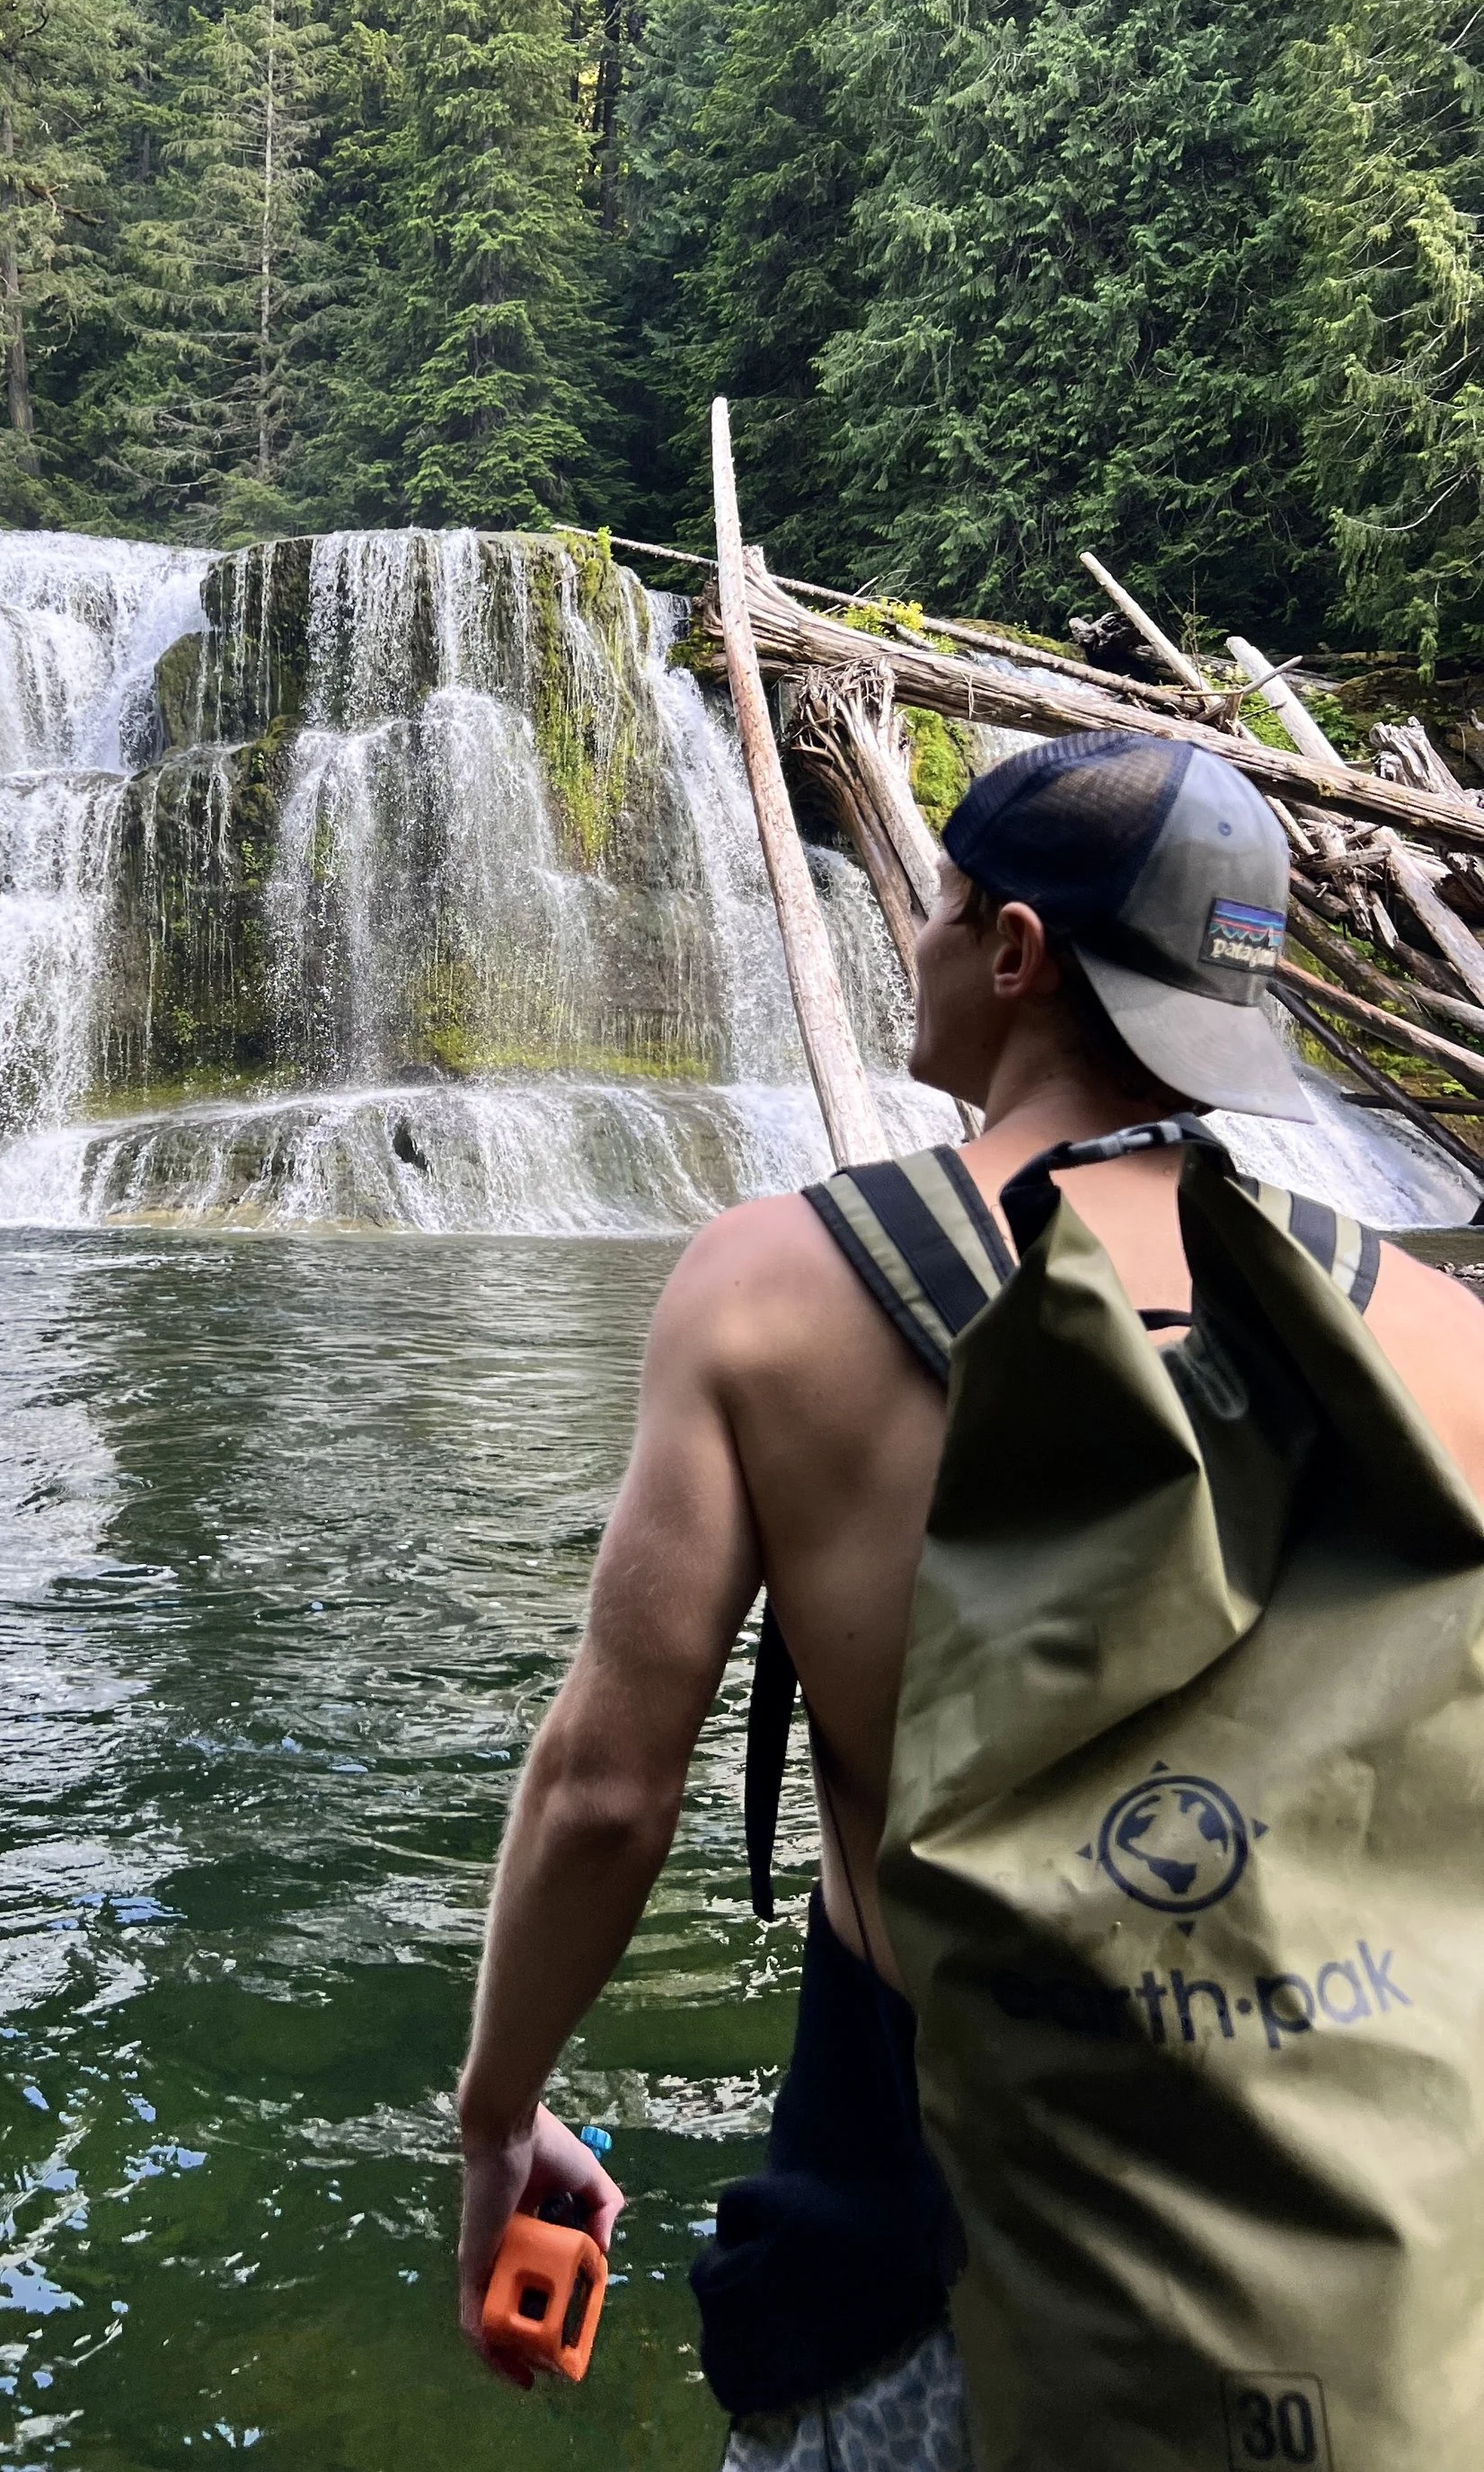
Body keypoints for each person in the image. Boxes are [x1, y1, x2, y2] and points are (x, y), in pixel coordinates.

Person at [455, 728, 1484, 2461]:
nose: (911, 948)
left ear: (1011, 952)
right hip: (1360, 2260)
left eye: (931, 909)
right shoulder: (1442, 1343)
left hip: (926, 2253)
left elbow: (610, 1792)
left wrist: (497, 2116)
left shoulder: (774, 1291)